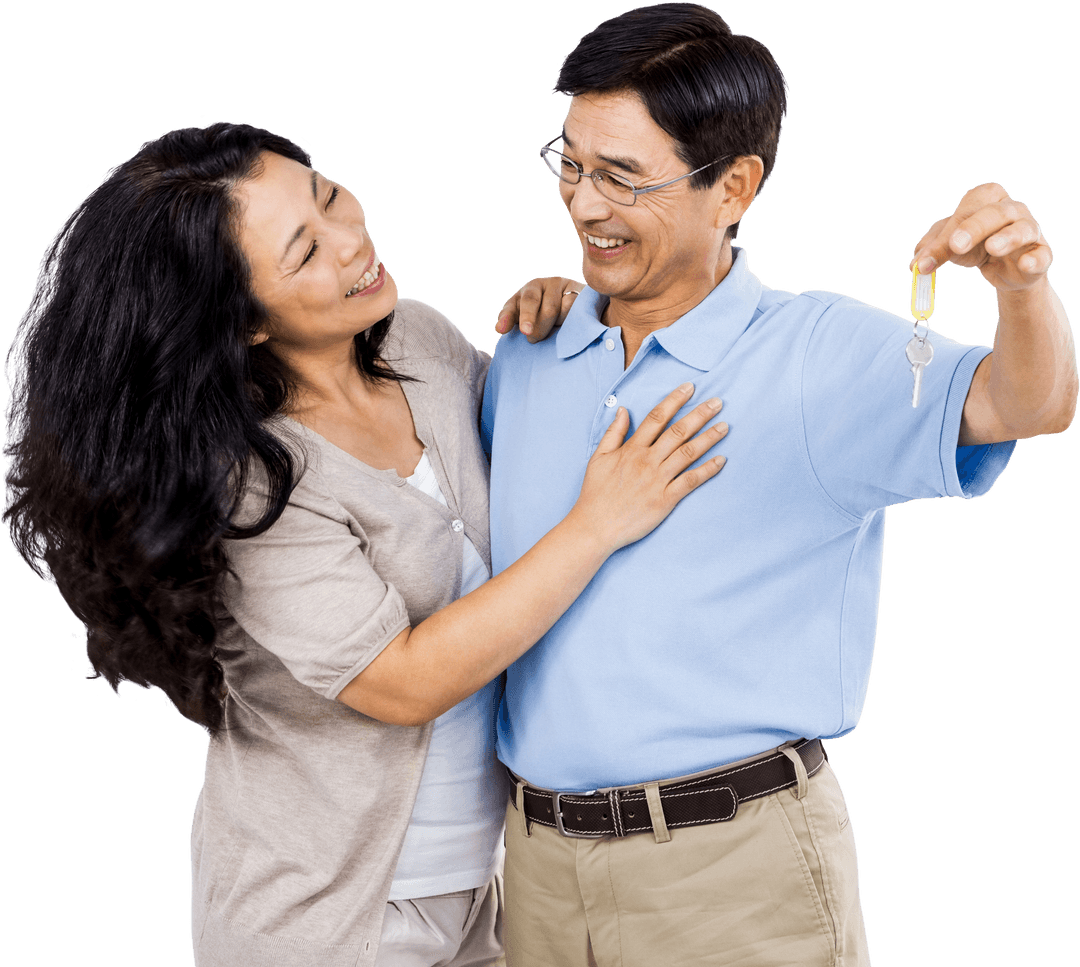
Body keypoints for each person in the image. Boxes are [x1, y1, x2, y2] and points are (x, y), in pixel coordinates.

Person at [1, 121, 728, 967]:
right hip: (328, 922)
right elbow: (405, 680)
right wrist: (600, 525)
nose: (353, 242)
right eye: (305, 252)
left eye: (331, 197)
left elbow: (542, 457)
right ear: (242, 325)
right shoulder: (250, 486)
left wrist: (565, 324)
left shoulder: (420, 341)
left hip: (487, 893)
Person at [481, 5, 1078, 966]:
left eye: (623, 176)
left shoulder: (818, 353)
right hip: (535, 872)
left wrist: (1021, 289)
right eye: (571, 163)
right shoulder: (529, 353)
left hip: (730, 877)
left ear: (736, 187)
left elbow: (1029, 402)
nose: (585, 203)